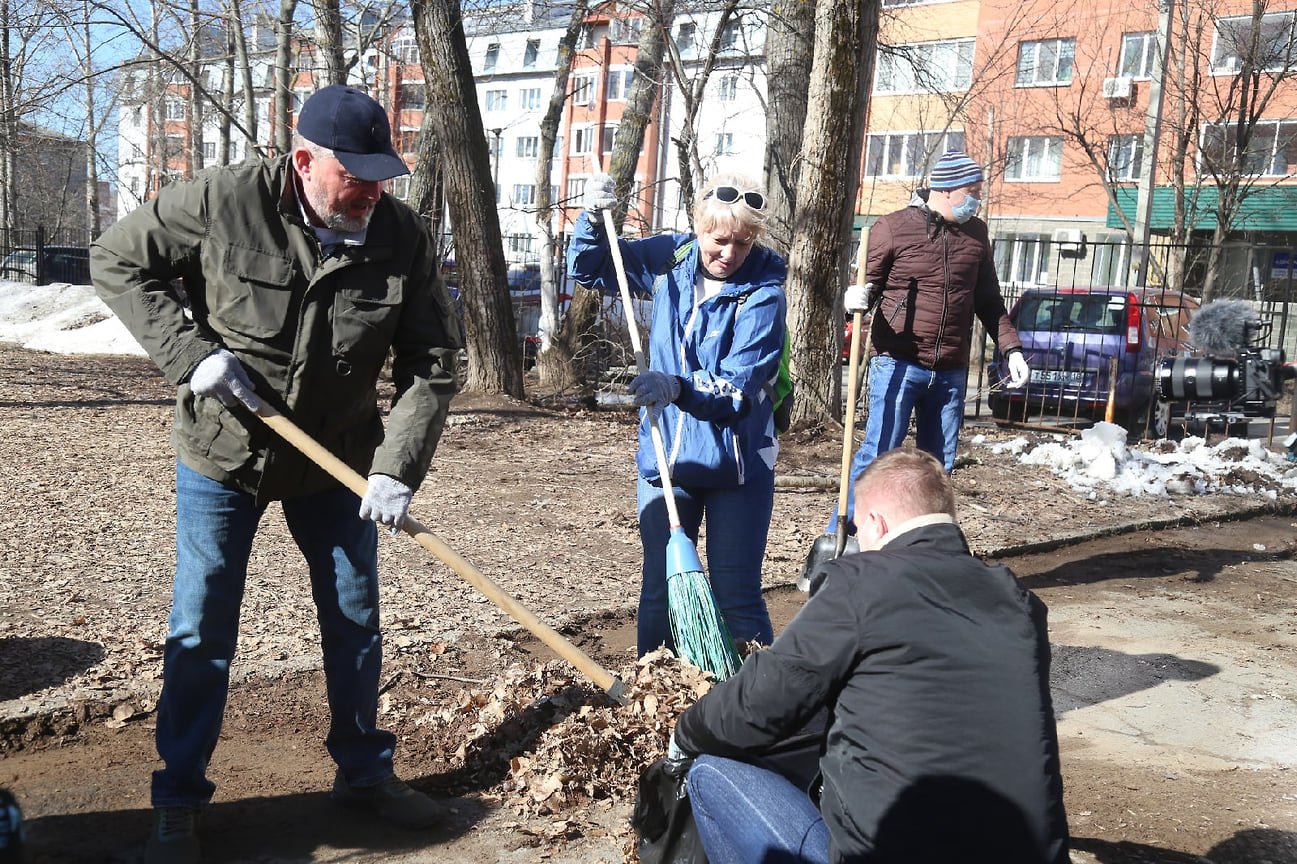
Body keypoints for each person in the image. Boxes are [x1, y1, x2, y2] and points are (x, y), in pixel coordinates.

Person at [91, 85, 463, 864]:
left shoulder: (399, 235)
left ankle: (363, 773)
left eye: (379, 175)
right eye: (352, 174)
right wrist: (192, 356)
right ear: (302, 159)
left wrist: (397, 466)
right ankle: (178, 799)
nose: (368, 191)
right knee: (202, 625)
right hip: (226, 454)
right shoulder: (225, 201)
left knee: (354, 618)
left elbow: (431, 363)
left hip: (338, 459)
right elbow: (119, 260)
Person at [672, 447, 1070, 864]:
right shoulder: (1020, 603)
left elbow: (757, 703)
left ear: (877, 524)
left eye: (860, 530)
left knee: (710, 773)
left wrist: (687, 732)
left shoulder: (862, 582)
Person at [567, 172, 787, 656]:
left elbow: (736, 388)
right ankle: (655, 700)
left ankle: (755, 707)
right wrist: (593, 218)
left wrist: (677, 386)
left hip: (738, 464)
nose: (729, 253)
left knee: (737, 598)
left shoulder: (765, 292)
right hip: (667, 456)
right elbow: (593, 267)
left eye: (743, 243)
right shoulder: (672, 258)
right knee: (660, 594)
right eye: (719, 240)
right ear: (697, 226)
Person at [840, 150, 1029, 523]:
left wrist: (1012, 349)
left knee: (937, 470)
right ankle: (844, 537)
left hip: (950, 371)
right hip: (896, 362)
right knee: (877, 455)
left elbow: (989, 300)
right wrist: (853, 300)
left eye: (979, 191)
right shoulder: (893, 227)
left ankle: (926, 547)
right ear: (944, 190)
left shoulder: (976, 235)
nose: (977, 199)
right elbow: (865, 288)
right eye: (971, 191)